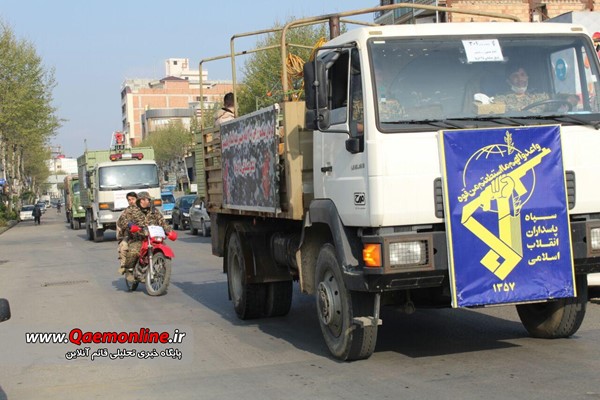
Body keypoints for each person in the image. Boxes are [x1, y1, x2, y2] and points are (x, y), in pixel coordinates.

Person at [120, 191, 173, 282]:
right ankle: (129, 270)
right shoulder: (131, 210)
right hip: (138, 237)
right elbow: (123, 220)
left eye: (148, 200)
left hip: (153, 237)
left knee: (164, 249)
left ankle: (162, 269)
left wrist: (169, 231)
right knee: (133, 251)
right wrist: (130, 225)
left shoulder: (154, 211)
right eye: (145, 199)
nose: (147, 201)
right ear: (140, 200)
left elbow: (163, 222)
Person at [494, 65, 578, 112]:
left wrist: (570, 99)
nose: (520, 79)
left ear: (527, 77)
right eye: (515, 76)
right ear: (508, 81)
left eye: (523, 75)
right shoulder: (500, 99)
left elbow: (565, 98)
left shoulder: (539, 97)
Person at [116, 192, 138, 275]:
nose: (131, 201)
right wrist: (129, 225)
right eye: (129, 200)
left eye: (133, 199)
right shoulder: (126, 212)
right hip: (130, 235)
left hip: (145, 234)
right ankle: (125, 267)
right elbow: (121, 222)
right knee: (123, 247)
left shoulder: (143, 210)